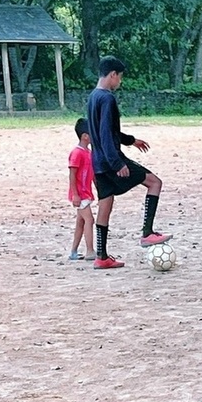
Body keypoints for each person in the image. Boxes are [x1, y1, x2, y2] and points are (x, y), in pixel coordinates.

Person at [85, 56, 171, 269]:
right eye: (120, 77)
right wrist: (117, 163)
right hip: (111, 160)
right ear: (113, 74)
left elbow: (105, 131)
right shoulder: (107, 98)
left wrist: (131, 141)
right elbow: (105, 134)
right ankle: (147, 233)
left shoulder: (92, 97)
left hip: (97, 163)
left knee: (105, 204)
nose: (120, 82)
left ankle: (101, 256)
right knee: (154, 183)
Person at [67, 117, 95, 260]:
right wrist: (75, 195)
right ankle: (90, 250)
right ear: (85, 136)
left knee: (81, 222)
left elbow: (92, 174)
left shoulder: (89, 153)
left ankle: (73, 251)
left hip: (86, 193)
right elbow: (72, 175)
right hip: (81, 194)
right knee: (89, 220)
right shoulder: (77, 153)